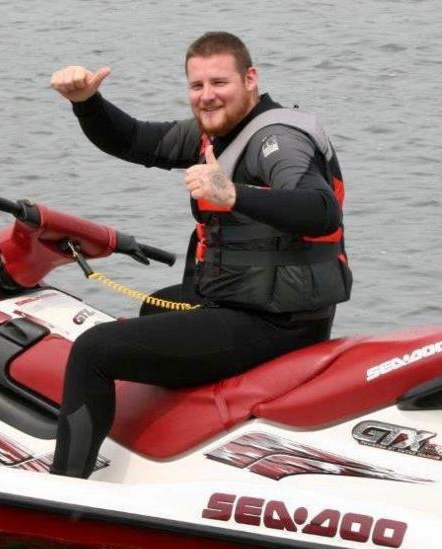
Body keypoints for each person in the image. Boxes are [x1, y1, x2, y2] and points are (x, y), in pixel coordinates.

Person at [47, 32, 351, 478]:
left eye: (219, 82)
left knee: (93, 351)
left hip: (278, 322)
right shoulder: (216, 132)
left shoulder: (278, 140)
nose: (207, 96)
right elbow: (133, 140)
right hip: (243, 300)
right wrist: (87, 102)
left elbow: (321, 211)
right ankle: (195, 446)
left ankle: (66, 488)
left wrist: (233, 194)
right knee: (153, 308)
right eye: (197, 85)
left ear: (250, 79)